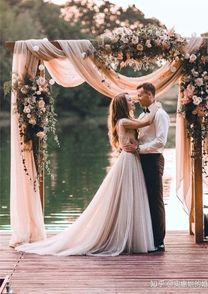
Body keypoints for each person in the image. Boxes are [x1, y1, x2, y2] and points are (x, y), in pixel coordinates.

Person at [16, 93, 159, 256]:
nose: (132, 101)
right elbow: (146, 122)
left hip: (131, 159)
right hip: (128, 161)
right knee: (126, 198)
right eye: (129, 100)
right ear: (122, 105)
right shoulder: (124, 121)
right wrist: (156, 106)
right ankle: (122, 237)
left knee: (130, 198)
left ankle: (128, 236)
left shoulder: (126, 121)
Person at [123, 83, 169, 252]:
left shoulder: (161, 115)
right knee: (143, 199)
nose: (138, 98)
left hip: (153, 159)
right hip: (141, 160)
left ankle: (159, 240)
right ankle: (147, 237)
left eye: (140, 95)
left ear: (150, 95)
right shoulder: (143, 115)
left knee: (155, 199)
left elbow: (160, 141)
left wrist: (139, 149)